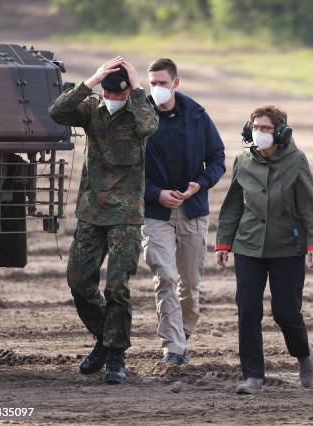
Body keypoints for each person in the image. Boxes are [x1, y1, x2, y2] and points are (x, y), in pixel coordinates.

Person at [49, 57, 158, 384]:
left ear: (126, 94)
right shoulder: (92, 108)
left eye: (118, 95)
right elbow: (57, 112)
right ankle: (105, 337)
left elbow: (149, 126)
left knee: (117, 287)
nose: (111, 100)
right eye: (108, 94)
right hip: (92, 211)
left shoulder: (137, 111)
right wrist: (91, 81)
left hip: (126, 215)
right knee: (79, 281)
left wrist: (138, 90)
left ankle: (115, 355)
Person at [215, 106, 313, 394]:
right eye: (255, 127)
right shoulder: (242, 160)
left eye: (265, 128)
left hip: (287, 246)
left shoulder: (297, 161)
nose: (258, 133)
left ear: (280, 132)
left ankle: (303, 354)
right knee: (248, 309)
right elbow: (233, 205)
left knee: (286, 312)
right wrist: (224, 242)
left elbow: (309, 206)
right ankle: (253, 375)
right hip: (248, 245)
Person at [142, 58, 225, 365]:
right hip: (155, 213)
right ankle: (173, 346)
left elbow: (217, 158)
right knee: (164, 275)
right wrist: (156, 194)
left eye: (162, 83)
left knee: (189, 284)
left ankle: (183, 330)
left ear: (175, 83)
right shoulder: (140, 116)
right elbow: (128, 168)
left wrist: (199, 185)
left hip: (192, 209)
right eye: (152, 83)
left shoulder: (197, 116)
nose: (157, 89)